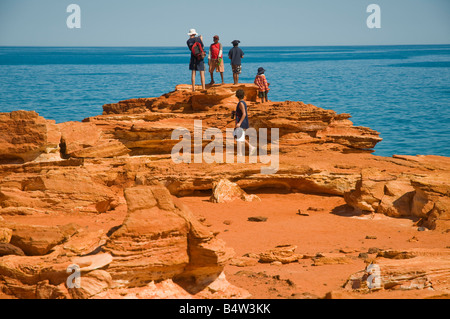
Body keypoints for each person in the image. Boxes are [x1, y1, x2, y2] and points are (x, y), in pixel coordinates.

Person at [234, 89, 256, 156]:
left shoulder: (240, 103)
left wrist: (239, 123)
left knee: (239, 137)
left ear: (237, 96)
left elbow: (244, 114)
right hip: (243, 121)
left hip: (241, 122)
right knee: (240, 137)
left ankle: (240, 153)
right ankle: (250, 147)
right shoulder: (243, 102)